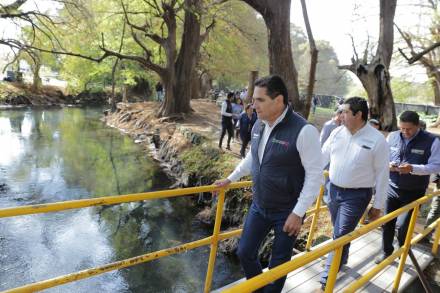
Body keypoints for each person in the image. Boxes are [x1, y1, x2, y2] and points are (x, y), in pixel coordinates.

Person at [215, 75, 323, 293]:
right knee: (244, 252)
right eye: (253, 99)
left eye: (259, 100)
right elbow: (253, 157)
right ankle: (260, 290)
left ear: (278, 100)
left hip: (287, 211)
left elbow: (315, 175)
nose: (253, 105)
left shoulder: (304, 130)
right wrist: (230, 179)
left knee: (278, 265)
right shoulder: (258, 125)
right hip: (259, 205)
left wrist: (298, 212)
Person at [319, 97, 389, 290]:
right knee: (340, 230)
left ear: (359, 115)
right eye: (340, 112)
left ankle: (326, 280)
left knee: (340, 234)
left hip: (357, 196)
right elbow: (321, 157)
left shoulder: (377, 140)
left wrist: (377, 206)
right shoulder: (337, 133)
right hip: (333, 190)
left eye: (345, 112)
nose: (340, 116)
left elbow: (383, 175)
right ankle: (342, 258)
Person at [376, 111, 440, 262]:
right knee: (387, 222)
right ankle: (387, 251)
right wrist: (388, 165)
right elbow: (381, 158)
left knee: (403, 226)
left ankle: (403, 250)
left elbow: (436, 166)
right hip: (391, 187)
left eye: (409, 129)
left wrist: (413, 168)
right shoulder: (392, 136)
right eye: (402, 128)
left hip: (414, 191)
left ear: (418, 126)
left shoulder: (432, 141)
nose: (405, 132)